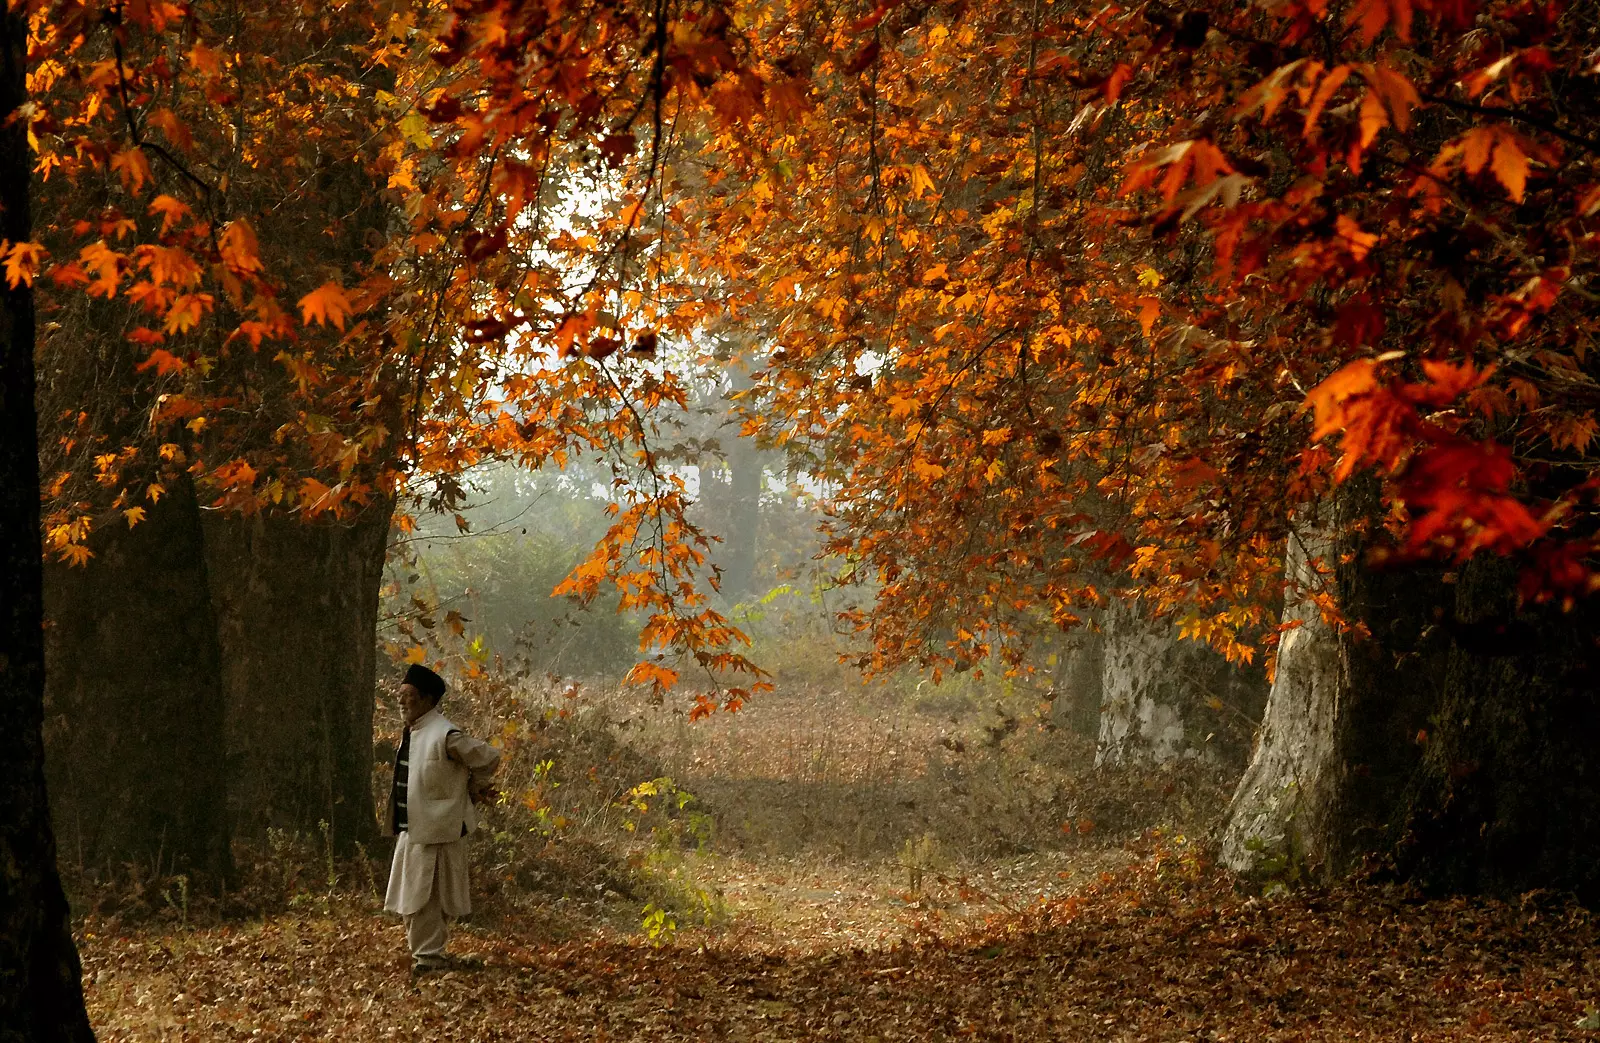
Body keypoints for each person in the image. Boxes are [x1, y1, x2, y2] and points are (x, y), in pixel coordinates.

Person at [382, 663, 501, 976]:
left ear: (427, 700)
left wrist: (472, 791)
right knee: (413, 897)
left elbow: (488, 758)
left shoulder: (446, 734)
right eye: (401, 696)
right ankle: (427, 956)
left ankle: (430, 958)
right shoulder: (415, 731)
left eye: (408, 696)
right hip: (414, 829)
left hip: (438, 830)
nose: (402, 702)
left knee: (428, 898)